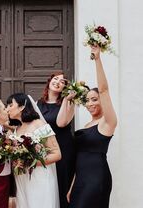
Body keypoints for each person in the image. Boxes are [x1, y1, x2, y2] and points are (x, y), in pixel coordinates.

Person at [67, 46, 117, 208]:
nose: (90, 103)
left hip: (96, 178)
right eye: (87, 100)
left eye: (94, 99)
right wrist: (73, 185)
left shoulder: (107, 122)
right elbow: (80, 157)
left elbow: (103, 90)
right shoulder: (87, 125)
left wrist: (97, 59)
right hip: (81, 179)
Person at [6, 93, 62, 208]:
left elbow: (57, 154)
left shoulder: (39, 124)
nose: (7, 109)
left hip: (39, 177)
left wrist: (30, 162)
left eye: (10, 105)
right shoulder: (16, 129)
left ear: (21, 107)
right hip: (22, 178)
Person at [37, 72, 76, 208]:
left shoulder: (69, 103)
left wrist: (66, 99)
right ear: (49, 81)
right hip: (46, 151)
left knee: (62, 185)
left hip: (63, 149)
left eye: (62, 81)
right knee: (48, 185)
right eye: (56, 78)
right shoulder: (38, 104)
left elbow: (61, 123)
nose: (58, 82)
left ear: (64, 88)